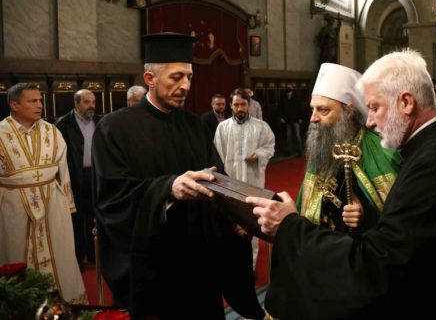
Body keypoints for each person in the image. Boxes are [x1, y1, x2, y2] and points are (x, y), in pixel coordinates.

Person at [247, 50, 436, 319]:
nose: (370, 120)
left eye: (374, 107)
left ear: (406, 102)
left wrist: (290, 227)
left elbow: (378, 266)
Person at [92, 33, 263, 319]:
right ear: (150, 78)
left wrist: (236, 218)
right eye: (176, 77)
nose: (185, 85)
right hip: (152, 270)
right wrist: (168, 188)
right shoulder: (114, 128)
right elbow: (112, 200)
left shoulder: (194, 125)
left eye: (189, 77)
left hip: (199, 264)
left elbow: (216, 180)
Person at [0, 83, 86, 303]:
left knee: (60, 254)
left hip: (52, 204)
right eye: (33, 101)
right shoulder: (1, 133)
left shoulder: (51, 131)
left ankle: (64, 304)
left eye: (40, 100)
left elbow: (63, 169)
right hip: (13, 207)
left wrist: (67, 204)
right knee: (16, 254)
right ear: (14, 105)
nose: (40, 105)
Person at [297, 62, 401, 233]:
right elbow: (307, 207)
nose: (313, 118)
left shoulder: (382, 149)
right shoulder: (322, 149)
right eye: (313, 109)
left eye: (323, 110)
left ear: (348, 111)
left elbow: (399, 218)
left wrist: (365, 215)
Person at [214, 88, 275, 267]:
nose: (240, 108)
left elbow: (270, 146)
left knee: (252, 222)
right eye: (236, 104)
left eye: (243, 104)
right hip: (230, 183)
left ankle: (252, 265)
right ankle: (232, 263)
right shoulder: (222, 127)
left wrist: (259, 154)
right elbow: (217, 155)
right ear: (230, 105)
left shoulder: (261, 127)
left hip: (252, 182)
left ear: (249, 104)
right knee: (230, 222)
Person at [56, 89, 101, 272]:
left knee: (94, 217)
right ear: (76, 103)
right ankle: (78, 258)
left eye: (93, 102)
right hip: (74, 177)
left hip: (95, 176)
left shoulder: (99, 121)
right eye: (87, 102)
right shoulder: (63, 124)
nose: (91, 106)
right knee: (76, 219)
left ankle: (93, 253)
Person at [280, 85, 304, 156]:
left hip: (295, 119)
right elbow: (281, 108)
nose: (288, 92)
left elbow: (300, 108)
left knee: (297, 136)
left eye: (290, 90)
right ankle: (290, 151)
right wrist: (281, 117)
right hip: (287, 120)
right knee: (288, 136)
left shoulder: (296, 98)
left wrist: (300, 118)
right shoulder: (283, 98)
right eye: (287, 90)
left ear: (292, 91)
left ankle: (300, 150)